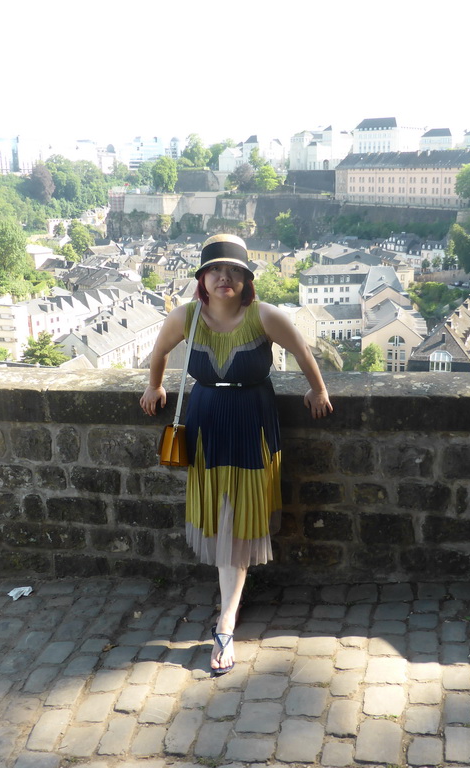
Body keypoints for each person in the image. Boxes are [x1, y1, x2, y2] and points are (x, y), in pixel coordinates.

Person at [140, 234, 332, 676]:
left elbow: (303, 351)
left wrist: (318, 390)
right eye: (214, 270)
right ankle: (229, 609)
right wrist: (154, 386)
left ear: (246, 281)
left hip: (252, 423)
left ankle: (226, 617)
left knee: (240, 514)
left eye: (234, 272)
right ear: (202, 280)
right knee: (224, 512)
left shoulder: (264, 316)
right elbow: (159, 353)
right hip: (207, 424)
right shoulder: (185, 317)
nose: (224, 278)